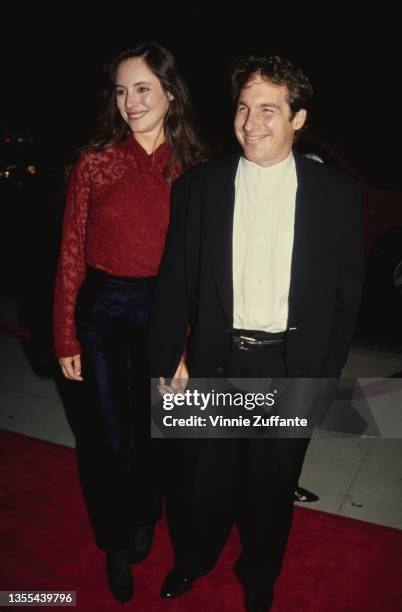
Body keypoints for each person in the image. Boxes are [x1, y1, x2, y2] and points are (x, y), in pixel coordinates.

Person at [149, 55, 363, 611]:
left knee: (271, 486)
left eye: (269, 109)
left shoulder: (337, 195)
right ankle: (194, 559)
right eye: (244, 107)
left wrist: (324, 371)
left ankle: (259, 574)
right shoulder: (199, 188)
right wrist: (169, 358)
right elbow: (173, 283)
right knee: (200, 480)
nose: (251, 122)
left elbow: (346, 295)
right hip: (211, 361)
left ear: (298, 118)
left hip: (290, 366)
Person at [53, 41, 208, 604]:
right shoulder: (94, 161)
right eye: (121, 90)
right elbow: (70, 250)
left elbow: (199, 267)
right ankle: (117, 544)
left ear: (170, 91)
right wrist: (65, 333)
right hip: (103, 314)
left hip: (166, 316)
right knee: (111, 442)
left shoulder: (193, 167)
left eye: (142, 88)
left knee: (157, 439)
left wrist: (189, 344)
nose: (130, 101)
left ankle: (145, 513)